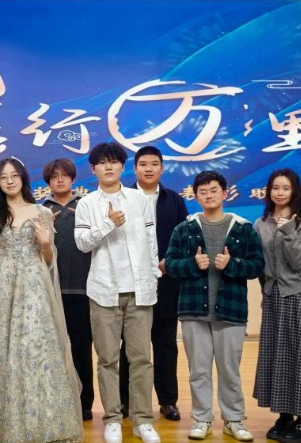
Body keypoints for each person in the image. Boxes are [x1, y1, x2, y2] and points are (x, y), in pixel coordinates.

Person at [0, 157, 83, 443]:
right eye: (4, 177)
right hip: (1, 287)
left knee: (33, 349)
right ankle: (1, 422)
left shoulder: (42, 213)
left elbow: (49, 258)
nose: (9, 181)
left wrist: (45, 243)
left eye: (14, 176)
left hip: (33, 286)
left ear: (23, 179)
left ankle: (39, 422)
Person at [164, 170, 264, 442]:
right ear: (195, 196)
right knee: (198, 370)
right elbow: (170, 264)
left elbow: (257, 266)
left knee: (229, 370)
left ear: (224, 193)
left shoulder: (243, 227)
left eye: (213, 190)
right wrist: (192, 264)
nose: (208, 195)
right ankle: (201, 419)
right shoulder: (184, 228)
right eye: (203, 192)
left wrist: (232, 264)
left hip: (231, 311)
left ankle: (234, 420)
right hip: (193, 310)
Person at [74, 143, 161, 443]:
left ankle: (142, 420)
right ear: (93, 169)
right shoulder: (86, 204)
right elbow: (82, 243)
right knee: (107, 360)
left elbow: (151, 241)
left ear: (123, 167)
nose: (108, 167)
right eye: (102, 162)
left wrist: (153, 277)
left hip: (139, 291)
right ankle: (112, 418)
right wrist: (108, 225)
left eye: (113, 162)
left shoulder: (140, 199)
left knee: (141, 359)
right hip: (103, 291)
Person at [253, 168, 301, 443]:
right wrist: (265, 291)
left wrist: (287, 229)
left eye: (285, 188)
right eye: (275, 187)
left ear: (294, 191)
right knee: (278, 358)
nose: (280, 193)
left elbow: (300, 262)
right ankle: (285, 415)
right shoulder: (260, 223)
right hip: (273, 298)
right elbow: (260, 265)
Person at [119, 146, 188, 422]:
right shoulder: (123, 198)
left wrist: (169, 262)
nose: (149, 169)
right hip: (132, 283)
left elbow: (184, 239)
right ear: (134, 168)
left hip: (166, 283)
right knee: (130, 345)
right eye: (143, 164)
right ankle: (127, 401)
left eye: (154, 164)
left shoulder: (175, 200)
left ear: (162, 168)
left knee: (165, 343)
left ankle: (168, 401)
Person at [41, 158, 95, 421]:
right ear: (48, 182)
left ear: (73, 178)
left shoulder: (86, 206)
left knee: (82, 348)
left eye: (64, 175)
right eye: (54, 176)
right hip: (52, 290)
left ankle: (85, 403)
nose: (60, 179)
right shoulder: (41, 211)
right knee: (53, 349)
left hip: (84, 289)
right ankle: (57, 403)